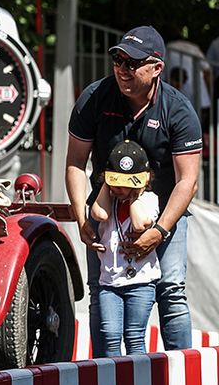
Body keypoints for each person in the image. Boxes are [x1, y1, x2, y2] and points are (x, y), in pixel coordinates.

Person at [66, 25, 202, 355]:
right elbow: (74, 163)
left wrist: (159, 230)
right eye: (118, 60)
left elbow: (188, 182)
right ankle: (100, 375)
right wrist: (81, 217)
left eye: (132, 63)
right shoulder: (94, 98)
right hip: (104, 208)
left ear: (156, 68)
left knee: (171, 289)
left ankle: (180, 371)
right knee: (99, 289)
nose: (122, 69)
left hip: (165, 211)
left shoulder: (179, 110)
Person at [88, 140, 160, 357]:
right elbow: (99, 215)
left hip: (141, 283)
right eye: (116, 183)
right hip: (109, 283)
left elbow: (140, 224)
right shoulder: (109, 202)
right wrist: (106, 185)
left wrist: (135, 194)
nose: (120, 189)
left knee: (134, 336)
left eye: (126, 184)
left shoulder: (149, 199)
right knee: (110, 336)